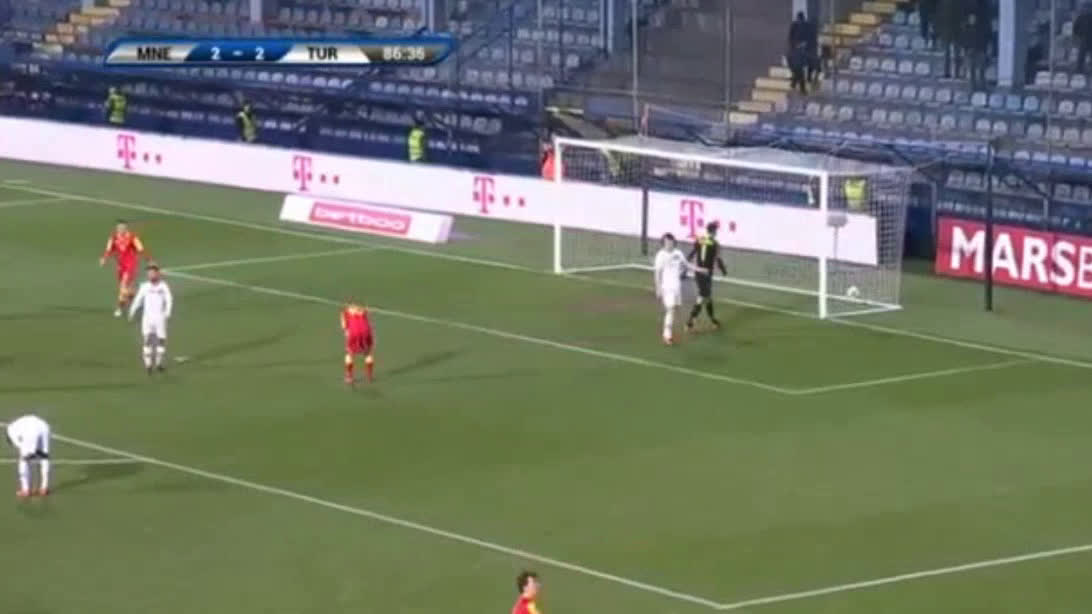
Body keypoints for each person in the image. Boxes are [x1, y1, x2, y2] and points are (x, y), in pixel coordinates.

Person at [128, 264, 173, 375]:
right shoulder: (145, 286)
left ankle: (158, 364)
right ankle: (148, 365)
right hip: (147, 318)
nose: (150, 275)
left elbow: (169, 299)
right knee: (147, 340)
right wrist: (132, 311)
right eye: (149, 273)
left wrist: (167, 312)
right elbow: (138, 299)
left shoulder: (163, 286)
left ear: (157, 274)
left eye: (152, 273)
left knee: (161, 341)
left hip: (160, 318)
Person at [653, 233, 695, 345]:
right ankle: (667, 335)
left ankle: (669, 328)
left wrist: (698, 269)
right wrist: (658, 288)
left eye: (670, 242)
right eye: (667, 242)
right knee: (670, 309)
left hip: (677, 287)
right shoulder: (661, 255)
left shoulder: (678, 253)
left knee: (675, 309)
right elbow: (657, 273)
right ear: (663, 243)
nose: (669, 244)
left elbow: (687, 265)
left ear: (673, 242)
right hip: (667, 288)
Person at [685, 222, 728, 332]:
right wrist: (723, 270)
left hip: (698, 272)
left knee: (707, 297)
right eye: (716, 231)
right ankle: (690, 322)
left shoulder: (700, 240)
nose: (716, 233)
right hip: (707, 273)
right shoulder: (715, 243)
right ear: (714, 231)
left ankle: (713, 321)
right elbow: (718, 259)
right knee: (702, 297)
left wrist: (686, 264)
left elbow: (692, 254)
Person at [99, 220, 146, 317]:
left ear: (126, 228)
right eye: (119, 228)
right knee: (128, 290)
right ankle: (139, 298)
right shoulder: (113, 238)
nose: (121, 229)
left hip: (130, 264)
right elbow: (108, 250)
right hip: (120, 266)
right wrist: (104, 259)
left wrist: (149, 260)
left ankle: (119, 308)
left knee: (123, 287)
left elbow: (141, 249)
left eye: (123, 228)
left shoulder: (132, 237)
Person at [6, 414, 51, 498]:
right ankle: (44, 488)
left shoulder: (10, 432)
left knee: (24, 460)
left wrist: (28, 454)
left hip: (31, 430)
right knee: (44, 456)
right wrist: (36, 451)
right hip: (44, 426)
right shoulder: (14, 426)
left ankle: (25, 490)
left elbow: (20, 446)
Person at [342, 300, 375, 385]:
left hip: (354, 331)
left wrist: (346, 331)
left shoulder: (346, 311)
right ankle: (369, 375)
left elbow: (344, 324)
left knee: (349, 354)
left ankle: (349, 377)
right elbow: (367, 318)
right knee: (367, 353)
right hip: (365, 331)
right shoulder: (363, 310)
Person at [1076, 3, 1092, 73]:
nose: (1086, 9)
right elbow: (1075, 28)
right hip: (1084, 39)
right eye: (1085, 8)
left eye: (1088, 8)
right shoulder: (1080, 18)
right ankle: (1079, 70)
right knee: (1081, 55)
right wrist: (1080, 35)